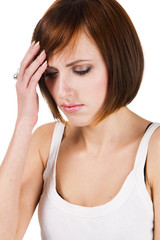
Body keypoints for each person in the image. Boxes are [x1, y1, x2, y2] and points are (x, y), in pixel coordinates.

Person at [0, 0, 160, 239]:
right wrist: (24, 121)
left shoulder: (154, 150)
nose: (62, 91)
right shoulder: (45, 143)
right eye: (51, 74)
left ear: (118, 61)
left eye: (81, 69)